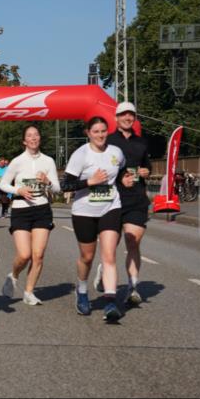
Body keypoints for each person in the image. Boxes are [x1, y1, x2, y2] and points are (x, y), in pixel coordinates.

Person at [61, 116, 133, 321]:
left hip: (111, 207)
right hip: (84, 211)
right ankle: (82, 291)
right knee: (87, 257)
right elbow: (66, 185)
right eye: (96, 132)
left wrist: (124, 179)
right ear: (88, 133)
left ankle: (110, 302)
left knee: (109, 255)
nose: (101, 135)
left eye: (103, 131)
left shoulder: (115, 152)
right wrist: (90, 181)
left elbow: (120, 172)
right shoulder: (80, 154)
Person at [0, 125, 61, 306]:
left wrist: (47, 182)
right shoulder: (17, 161)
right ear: (24, 141)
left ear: (40, 139)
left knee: (38, 254)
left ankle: (29, 292)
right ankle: (14, 275)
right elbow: (3, 184)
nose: (33, 138)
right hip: (20, 209)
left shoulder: (48, 161)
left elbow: (57, 189)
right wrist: (19, 189)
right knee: (24, 255)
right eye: (29, 136)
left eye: (36, 135)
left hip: (41, 209)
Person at [98, 101, 150, 307]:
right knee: (111, 246)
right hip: (112, 198)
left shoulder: (142, 143)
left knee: (133, 242)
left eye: (131, 115)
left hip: (136, 199)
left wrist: (146, 171)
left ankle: (132, 286)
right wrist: (120, 178)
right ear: (116, 118)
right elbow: (100, 168)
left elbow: (146, 166)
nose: (128, 118)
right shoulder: (107, 141)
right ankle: (105, 268)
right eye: (124, 115)